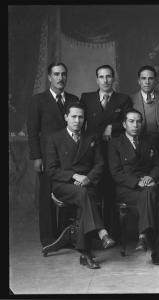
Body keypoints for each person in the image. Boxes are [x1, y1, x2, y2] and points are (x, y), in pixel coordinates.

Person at [44, 102, 115, 269]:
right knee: (85, 195)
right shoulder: (54, 138)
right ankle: (102, 232)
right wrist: (74, 175)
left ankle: (85, 253)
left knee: (85, 195)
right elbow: (51, 170)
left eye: (81, 117)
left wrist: (88, 178)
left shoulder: (91, 137)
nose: (77, 120)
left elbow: (99, 164)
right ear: (66, 117)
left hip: (87, 184)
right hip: (63, 185)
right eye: (74, 116)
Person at [27, 62, 79, 247]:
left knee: (67, 193)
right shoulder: (38, 100)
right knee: (47, 196)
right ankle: (48, 237)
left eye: (63, 74)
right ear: (49, 77)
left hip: (68, 156)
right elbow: (32, 130)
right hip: (47, 157)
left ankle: (66, 235)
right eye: (56, 74)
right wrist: (36, 156)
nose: (60, 78)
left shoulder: (73, 99)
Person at [108, 108, 159, 265]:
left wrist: (151, 177)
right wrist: (136, 182)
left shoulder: (150, 140)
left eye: (138, 121)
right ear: (124, 124)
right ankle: (154, 247)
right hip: (127, 188)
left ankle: (144, 236)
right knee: (149, 195)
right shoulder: (115, 143)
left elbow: (158, 165)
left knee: (148, 192)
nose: (135, 125)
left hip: (148, 183)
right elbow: (116, 173)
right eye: (131, 121)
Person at [80, 65, 131, 233]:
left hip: (114, 151)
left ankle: (111, 231)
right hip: (92, 152)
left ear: (113, 78)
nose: (105, 80)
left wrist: (112, 126)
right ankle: (93, 231)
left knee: (110, 191)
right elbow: (79, 123)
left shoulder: (123, 99)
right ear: (97, 79)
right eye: (101, 77)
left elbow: (129, 123)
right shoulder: (86, 98)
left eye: (109, 76)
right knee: (92, 190)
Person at [130, 65, 159, 157]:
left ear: (155, 81)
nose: (147, 82)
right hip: (139, 141)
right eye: (143, 78)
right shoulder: (131, 99)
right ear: (139, 81)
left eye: (150, 78)